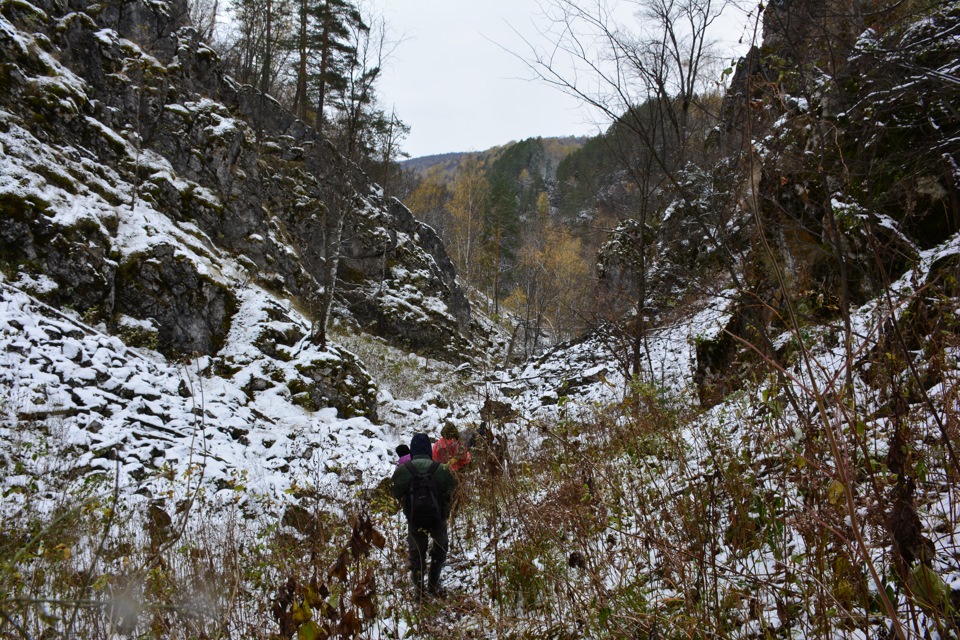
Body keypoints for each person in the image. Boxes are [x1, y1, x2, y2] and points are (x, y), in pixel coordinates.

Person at [391, 433, 457, 599]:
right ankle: (434, 583)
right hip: (438, 519)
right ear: (429, 450)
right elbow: (452, 488)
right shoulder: (441, 469)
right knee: (440, 548)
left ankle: (419, 591)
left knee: (416, 554)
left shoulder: (403, 471)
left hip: (414, 520)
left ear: (412, 450)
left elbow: (395, 493)